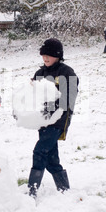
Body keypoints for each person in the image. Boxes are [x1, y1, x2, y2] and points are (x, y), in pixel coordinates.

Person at [29, 38, 79, 198]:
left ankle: (32, 190)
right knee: (51, 158)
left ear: (58, 55)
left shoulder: (67, 73)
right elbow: (33, 96)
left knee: (40, 151)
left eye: (49, 55)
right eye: (43, 55)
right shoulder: (40, 73)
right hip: (43, 120)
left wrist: (52, 98)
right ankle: (64, 189)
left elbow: (68, 98)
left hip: (58, 120)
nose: (45, 58)